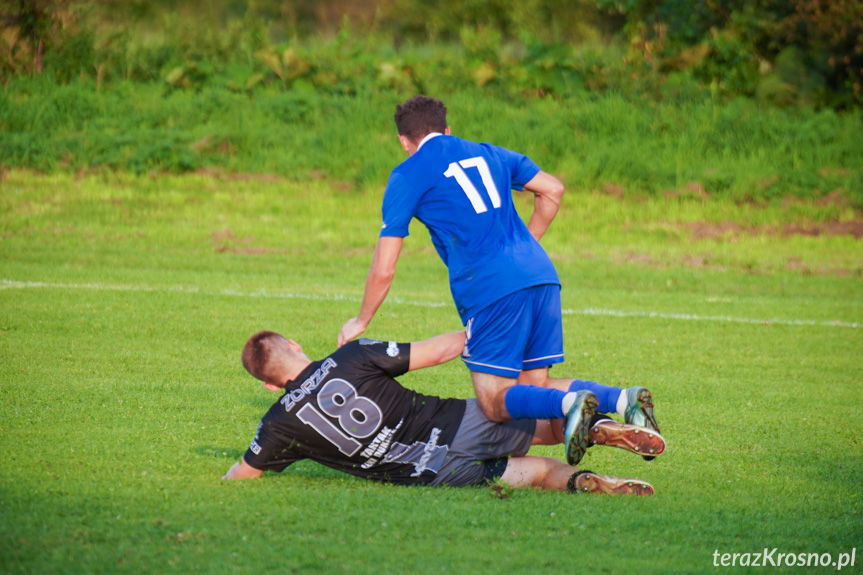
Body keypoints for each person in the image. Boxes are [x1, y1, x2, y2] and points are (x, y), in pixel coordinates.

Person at [337, 95, 660, 465]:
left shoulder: (407, 174)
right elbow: (552, 190)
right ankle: (623, 399)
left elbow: (384, 267)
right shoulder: (488, 152)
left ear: (404, 141)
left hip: (491, 289)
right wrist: (525, 247)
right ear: (447, 129)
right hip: (540, 275)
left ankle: (572, 404)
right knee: (531, 390)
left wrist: (361, 320)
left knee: (493, 400)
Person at [223, 329, 664, 496]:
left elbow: (243, 475)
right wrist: (475, 328)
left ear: (267, 384)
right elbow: (437, 352)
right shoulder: (350, 357)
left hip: (429, 474)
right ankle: (602, 420)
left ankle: (592, 484)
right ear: (295, 346)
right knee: (539, 404)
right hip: (453, 425)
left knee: (536, 471)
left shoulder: (278, 424)